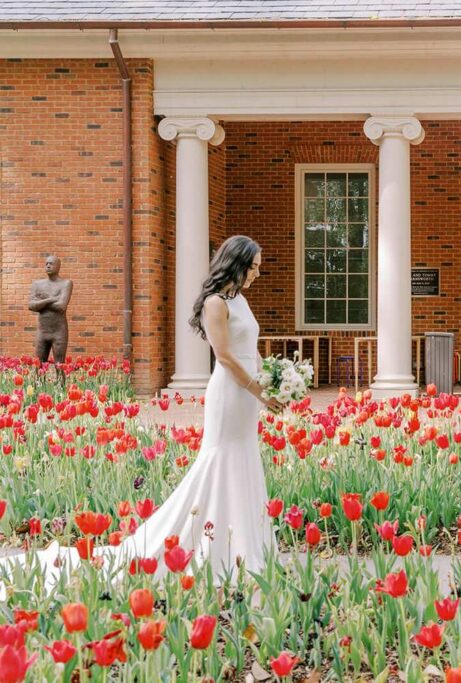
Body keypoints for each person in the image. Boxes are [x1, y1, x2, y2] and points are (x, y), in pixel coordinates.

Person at [1, 236, 284, 594]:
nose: (258, 273)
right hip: (230, 394)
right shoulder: (216, 303)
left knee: (245, 459)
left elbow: (251, 352)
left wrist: (271, 384)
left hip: (247, 396)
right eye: (254, 266)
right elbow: (226, 357)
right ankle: (199, 542)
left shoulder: (241, 300)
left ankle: (245, 545)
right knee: (220, 461)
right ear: (236, 264)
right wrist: (257, 390)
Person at [28, 255, 74, 365]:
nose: (48, 265)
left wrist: (41, 301)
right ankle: (39, 383)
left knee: (60, 365)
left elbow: (61, 306)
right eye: (46, 263)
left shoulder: (66, 283)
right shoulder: (37, 284)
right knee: (38, 367)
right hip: (42, 331)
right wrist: (50, 299)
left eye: (51, 263)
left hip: (59, 331)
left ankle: (61, 383)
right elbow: (31, 306)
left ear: (58, 266)